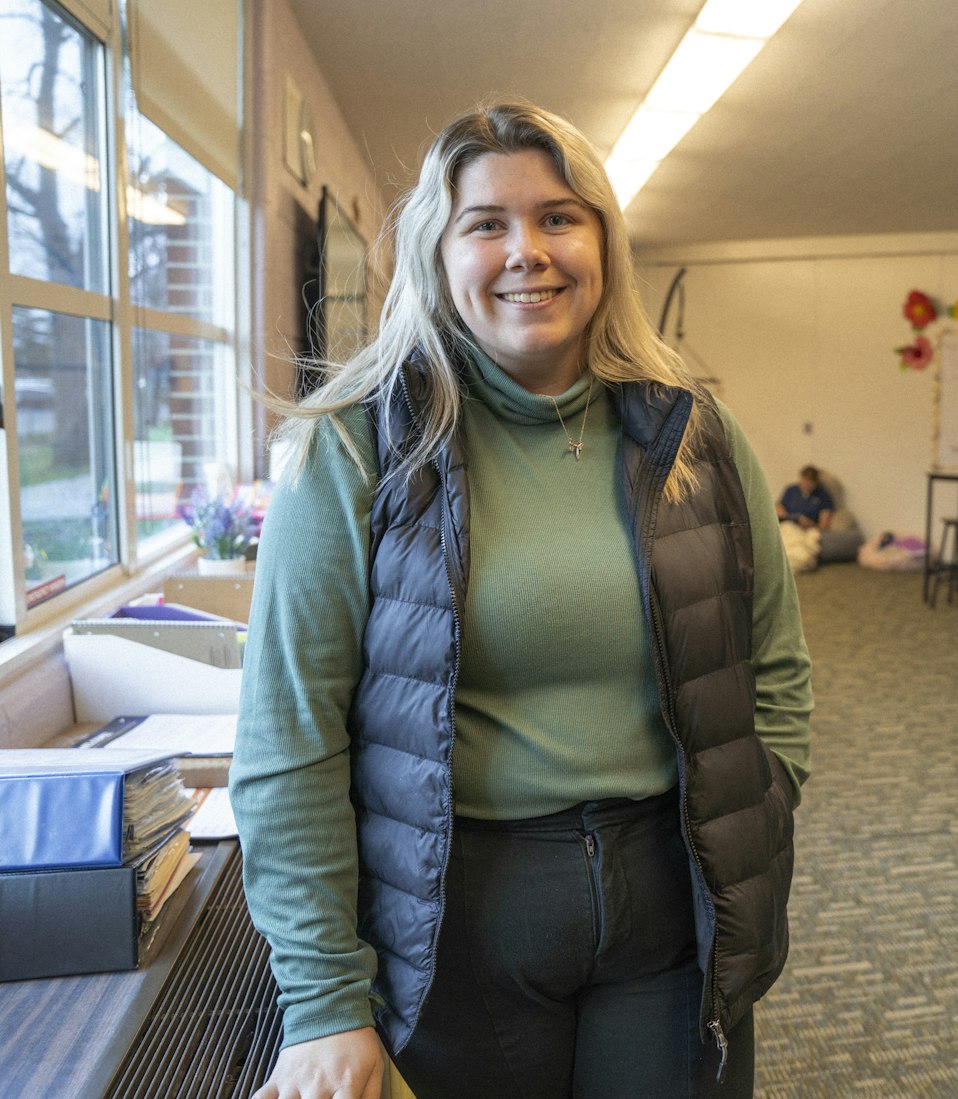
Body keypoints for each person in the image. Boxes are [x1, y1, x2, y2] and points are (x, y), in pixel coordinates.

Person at [231, 100, 812, 1099]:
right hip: (453, 917)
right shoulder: (354, 449)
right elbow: (290, 733)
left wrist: (754, 812)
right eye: (485, 223)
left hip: (673, 902)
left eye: (558, 217)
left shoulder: (694, 437)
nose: (526, 251)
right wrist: (324, 996)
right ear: (437, 253)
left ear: (603, 243)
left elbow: (774, 674)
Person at [775, 465, 833, 530]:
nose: (807, 486)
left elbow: (823, 526)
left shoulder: (823, 496)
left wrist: (808, 524)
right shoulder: (791, 490)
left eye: (810, 483)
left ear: (816, 483)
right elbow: (779, 508)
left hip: (808, 530)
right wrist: (789, 518)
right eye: (804, 482)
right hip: (788, 526)